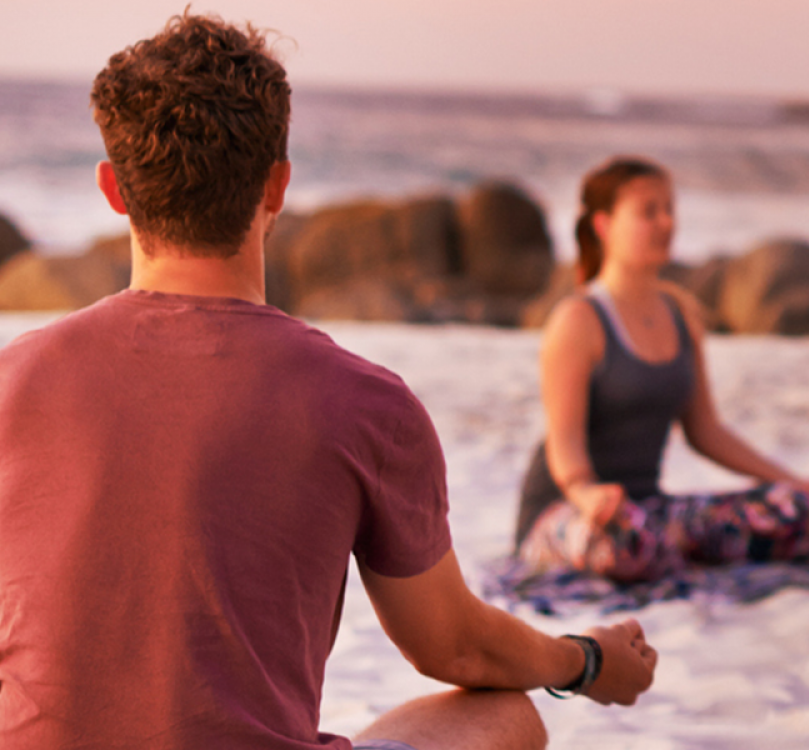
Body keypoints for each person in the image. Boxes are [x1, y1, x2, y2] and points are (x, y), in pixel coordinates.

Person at [0, 15, 656, 749]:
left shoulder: (13, 379)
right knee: (504, 716)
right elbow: (455, 648)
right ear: (277, 185)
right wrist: (585, 660)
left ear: (113, 190)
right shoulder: (364, 403)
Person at [514, 157, 809, 583]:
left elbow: (706, 431)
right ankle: (669, 551)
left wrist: (800, 485)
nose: (665, 223)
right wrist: (586, 493)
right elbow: (563, 441)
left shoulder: (680, 313)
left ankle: (675, 550)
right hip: (568, 511)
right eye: (649, 211)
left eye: (670, 210)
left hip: (649, 510)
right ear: (604, 226)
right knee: (628, 544)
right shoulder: (578, 319)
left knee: (808, 516)